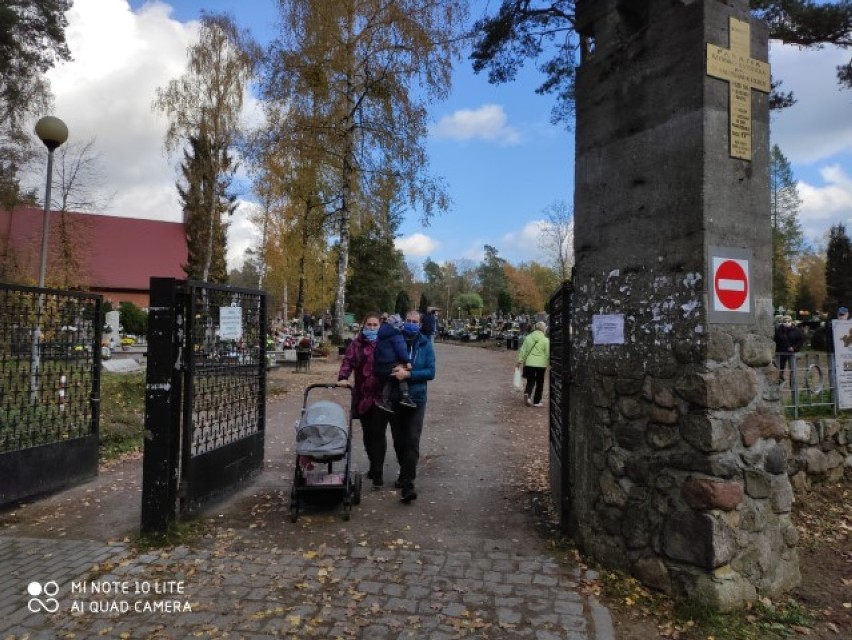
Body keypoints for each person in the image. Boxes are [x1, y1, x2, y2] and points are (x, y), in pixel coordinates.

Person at [337, 313, 392, 488]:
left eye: (375, 325)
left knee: (378, 433)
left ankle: (378, 472)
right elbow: (348, 361)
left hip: (382, 396)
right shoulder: (356, 344)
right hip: (362, 396)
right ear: (364, 325)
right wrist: (343, 377)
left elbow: (396, 359)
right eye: (369, 324)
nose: (372, 328)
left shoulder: (385, 344)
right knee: (368, 434)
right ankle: (372, 464)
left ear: (380, 326)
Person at [387, 310, 436, 504]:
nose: (411, 324)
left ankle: (408, 484)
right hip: (395, 398)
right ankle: (404, 473)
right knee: (399, 441)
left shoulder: (425, 344)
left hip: (417, 399)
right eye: (408, 321)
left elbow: (431, 372)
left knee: (412, 440)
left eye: (415, 322)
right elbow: (382, 362)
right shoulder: (394, 340)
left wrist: (409, 374)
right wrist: (393, 370)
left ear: (421, 324)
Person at [374, 314, 415, 412]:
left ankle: (384, 401)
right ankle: (405, 396)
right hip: (391, 362)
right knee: (401, 373)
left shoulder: (381, 333)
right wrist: (407, 361)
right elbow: (401, 349)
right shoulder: (396, 334)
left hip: (381, 363)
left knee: (389, 380)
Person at [517, 321, 550, 407]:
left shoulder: (528, 337)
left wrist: (519, 361)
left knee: (530, 381)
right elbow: (547, 353)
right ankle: (537, 401)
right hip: (541, 364)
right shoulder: (545, 340)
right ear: (543, 328)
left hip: (529, 363)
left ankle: (527, 394)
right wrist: (548, 363)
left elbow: (523, 350)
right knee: (540, 382)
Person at [774, 315, 804, 382]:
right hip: (781, 352)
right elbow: (776, 340)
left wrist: (794, 348)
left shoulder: (797, 330)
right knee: (779, 369)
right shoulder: (778, 330)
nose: (787, 323)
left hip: (792, 352)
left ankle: (793, 384)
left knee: (793, 369)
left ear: (791, 321)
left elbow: (800, 340)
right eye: (785, 321)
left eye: (788, 321)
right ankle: (779, 383)